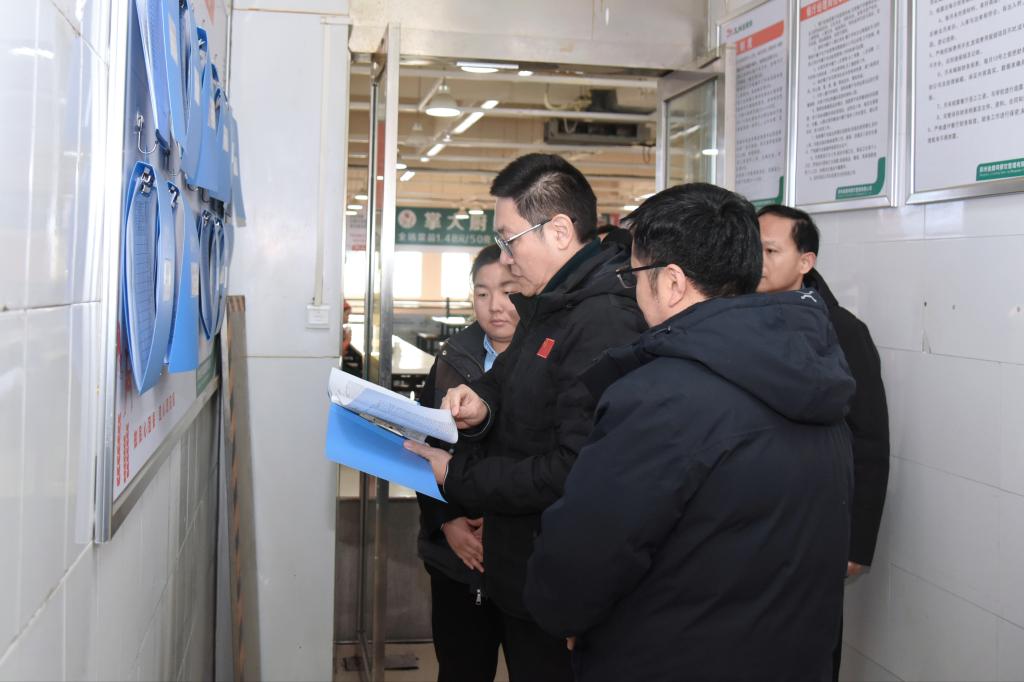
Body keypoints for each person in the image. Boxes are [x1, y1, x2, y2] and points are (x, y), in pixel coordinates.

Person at [522, 183, 856, 682]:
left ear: (673, 282)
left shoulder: (658, 397)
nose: (633, 290)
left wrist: (567, 616)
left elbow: (584, 558)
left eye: (635, 274)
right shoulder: (815, 375)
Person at [405, 153, 646, 682]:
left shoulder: (603, 321)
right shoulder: (551, 305)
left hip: (558, 575)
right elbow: (507, 379)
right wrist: (479, 401)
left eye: (510, 239)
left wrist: (458, 475)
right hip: (524, 571)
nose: (506, 258)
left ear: (558, 230)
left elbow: (572, 469)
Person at [756, 203, 890, 679]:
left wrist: (856, 542)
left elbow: (870, 439)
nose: (757, 260)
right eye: (752, 248)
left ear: (805, 261)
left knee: (808, 650)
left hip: (816, 529)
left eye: (771, 250)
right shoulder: (736, 318)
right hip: (754, 525)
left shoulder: (842, 331)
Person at [415, 245, 519, 682]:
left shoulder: (552, 359)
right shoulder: (450, 360)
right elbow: (422, 448)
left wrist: (507, 528)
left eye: (508, 291)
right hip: (456, 563)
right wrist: (447, 523)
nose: (495, 306)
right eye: (482, 293)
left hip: (524, 560)